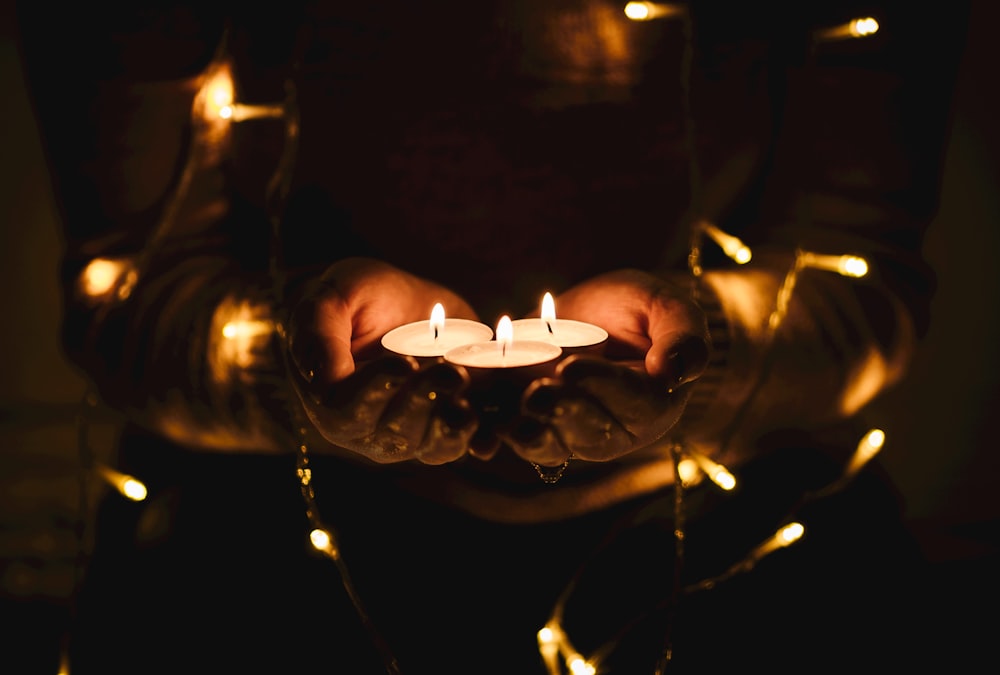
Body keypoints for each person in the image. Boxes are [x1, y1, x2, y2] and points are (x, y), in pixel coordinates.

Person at [16, 1, 968, 673]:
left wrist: (705, 347)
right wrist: (296, 364)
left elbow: (864, 271)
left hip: (732, 542)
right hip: (261, 538)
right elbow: (126, 296)